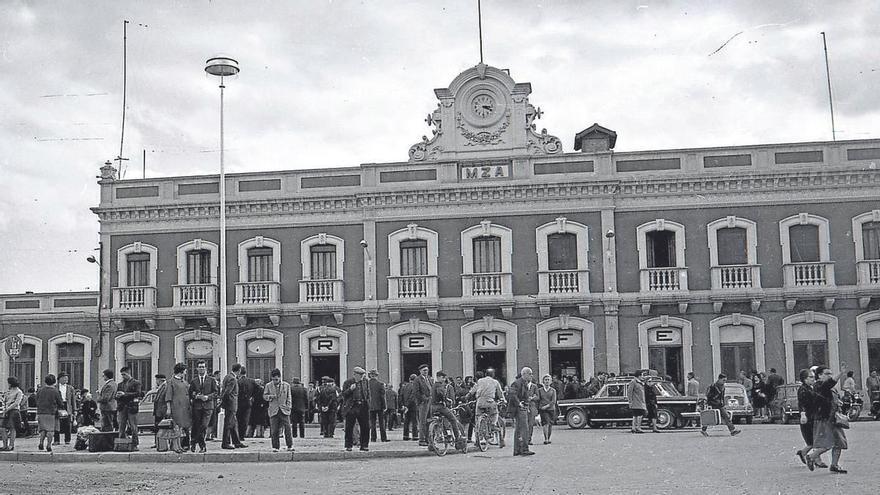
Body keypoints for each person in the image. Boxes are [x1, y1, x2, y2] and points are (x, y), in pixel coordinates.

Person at [806, 364, 850, 473]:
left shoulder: (829, 388)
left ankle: (834, 465)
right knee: (827, 443)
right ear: (819, 375)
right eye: (827, 374)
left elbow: (833, 397)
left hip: (833, 418)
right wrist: (840, 373)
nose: (829, 376)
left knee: (839, 442)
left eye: (830, 373)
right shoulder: (819, 385)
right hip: (825, 419)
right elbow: (829, 384)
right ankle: (811, 457)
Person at [469, 369, 505, 448]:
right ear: (493, 375)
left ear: (485, 374)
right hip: (489, 402)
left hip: (480, 402)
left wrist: (468, 395)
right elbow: (500, 393)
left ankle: (477, 440)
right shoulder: (495, 382)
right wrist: (503, 400)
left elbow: (473, 391)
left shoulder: (480, 381)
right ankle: (493, 425)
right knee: (495, 414)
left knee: (477, 418)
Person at [340, 366, 371, 452]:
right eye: (359, 375)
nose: (361, 377)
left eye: (362, 375)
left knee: (365, 426)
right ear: (354, 374)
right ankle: (348, 445)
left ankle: (364, 445)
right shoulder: (348, 382)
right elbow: (343, 395)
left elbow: (368, 393)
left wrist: (368, 403)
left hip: (363, 405)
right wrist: (350, 389)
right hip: (352, 406)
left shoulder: (365, 382)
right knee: (349, 427)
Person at [161, 364, 190, 453]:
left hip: (185, 407)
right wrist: (168, 408)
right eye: (185, 370)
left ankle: (179, 445)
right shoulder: (171, 382)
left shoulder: (184, 382)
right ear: (181, 371)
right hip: (176, 406)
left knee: (181, 428)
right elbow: (168, 396)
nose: (185, 372)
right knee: (176, 427)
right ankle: (175, 446)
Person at [263, 368, 294, 452]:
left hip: (284, 410)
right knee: (274, 430)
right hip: (273, 410)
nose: (275, 381)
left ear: (280, 377)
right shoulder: (268, 385)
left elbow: (289, 397)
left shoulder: (286, 385)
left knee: (287, 429)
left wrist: (288, 407)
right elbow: (265, 396)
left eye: (276, 379)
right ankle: (275, 446)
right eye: (273, 380)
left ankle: (290, 445)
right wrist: (270, 397)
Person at [508, 367, 535, 456]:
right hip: (519, 409)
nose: (531, 375)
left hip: (522, 407)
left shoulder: (523, 383)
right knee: (524, 429)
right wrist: (519, 403)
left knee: (519, 429)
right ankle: (524, 449)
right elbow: (512, 394)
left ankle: (517, 450)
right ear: (524, 374)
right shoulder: (517, 383)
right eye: (530, 374)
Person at [35, 374, 64, 452]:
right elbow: (60, 402)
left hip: (41, 412)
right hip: (51, 412)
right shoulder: (55, 391)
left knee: (43, 429)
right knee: (50, 430)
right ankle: (48, 445)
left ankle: (41, 443)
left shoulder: (40, 390)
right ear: (54, 381)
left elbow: (36, 400)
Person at [116, 366, 142, 450]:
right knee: (121, 426)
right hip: (122, 407)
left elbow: (138, 393)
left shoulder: (136, 383)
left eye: (124, 374)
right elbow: (116, 395)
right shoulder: (120, 384)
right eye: (122, 375)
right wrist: (117, 396)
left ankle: (135, 444)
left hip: (132, 407)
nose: (123, 376)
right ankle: (121, 443)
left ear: (128, 373)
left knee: (133, 426)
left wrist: (125, 394)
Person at [221, 363, 246, 449]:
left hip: (229, 404)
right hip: (231, 404)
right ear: (239, 370)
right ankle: (225, 443)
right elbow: (227, 392)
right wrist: (225, 402)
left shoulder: (227, 377)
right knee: (228, 424)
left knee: (233, 424)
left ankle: (237, 442)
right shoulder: (233, 379)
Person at [795, 368, 817, 466]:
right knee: (812, 441)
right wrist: (803, 415)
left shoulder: (809, 388)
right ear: (804, 379)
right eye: (811, 377)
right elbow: (802, 403)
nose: (813, 379)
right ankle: (805, 453)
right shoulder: (803, 389)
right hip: (808, 417)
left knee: (814, 440)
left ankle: (807, 454)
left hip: (812, 416)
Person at [53, 371, 78, 445]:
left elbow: (73, 400)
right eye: (64, 378)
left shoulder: (70, 388)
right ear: (59, 379)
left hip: (67, 406)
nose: (66, 379)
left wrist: (74, 410)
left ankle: (67, 439)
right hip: (58, 406)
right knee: (57, 423)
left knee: (68, 424)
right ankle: (56, 440)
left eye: (67, 378)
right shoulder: (55, 387)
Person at [2, 377, 23, 451]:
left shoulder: (19, 392)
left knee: (12, 428)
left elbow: (17, 402)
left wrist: (8, 408)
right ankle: (4, 445)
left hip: (14, 410)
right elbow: (4, 400)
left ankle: (11, 445)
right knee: (3, 428)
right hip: (7, 410)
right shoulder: (8, 391)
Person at [414, 364, 433, 446]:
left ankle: (428, 438)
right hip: (423, 403)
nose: (426, 372)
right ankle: (421, 439)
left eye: (427, 370)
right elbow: (416, 392)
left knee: (429, 420)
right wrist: (424, 399)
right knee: (422, 421)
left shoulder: (429, 379)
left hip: (430, 402)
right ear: (420, 371)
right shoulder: (417, 380)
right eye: (424, 370)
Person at [367, 370, 388, 442]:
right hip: (379, 406)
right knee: (382, 422)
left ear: (370, 375)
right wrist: (384, 406)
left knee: (372, 423)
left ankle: (373, 438)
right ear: (376, 375)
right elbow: (382, 396)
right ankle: (383, 438)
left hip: (370, 406)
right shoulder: (380, 384)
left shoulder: (367, 384)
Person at [537, 374, 557, 444]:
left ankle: (549, 437)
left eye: (548, 380)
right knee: (546, 423)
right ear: (543, 381)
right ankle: (546, 439)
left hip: (551, 409)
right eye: (545, 380)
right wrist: (541, 407)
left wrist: (547, 406)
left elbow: (554, 401)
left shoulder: (553, 390)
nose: (547, 381)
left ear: (551, 381)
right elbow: (538, 399)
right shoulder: (540, 390)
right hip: (543, 409)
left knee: (550, 424)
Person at [236, 366, 255, 439]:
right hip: (248, 403)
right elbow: (259, 390)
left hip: (238, 403)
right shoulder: (251, 381)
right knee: (245, 420)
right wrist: (252, 396)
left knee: (238, 420)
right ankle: (242, 435)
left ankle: (238, 435)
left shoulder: (237, 381)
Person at [151, 374, 168, 449]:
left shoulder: (165, 387)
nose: (156, 381)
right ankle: (157, 442)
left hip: (162, 411)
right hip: (158, 411)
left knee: (161, 428)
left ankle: (161, 442)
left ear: (160, 380)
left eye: (156, 380)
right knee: (157, 427)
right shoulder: (160, 388)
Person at [399, 374, 418, 441]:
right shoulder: (414, 387)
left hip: (405, 406)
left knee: (406, 421)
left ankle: (405, 436)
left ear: (410, 379)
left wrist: (403, 405)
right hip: (413, 406)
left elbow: (400, 396)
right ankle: (415, 436)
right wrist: (407, 405)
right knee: (414, 421)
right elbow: (412, 397)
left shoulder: (404, 387)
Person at [207, 370, 222, 440]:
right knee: (211, 419)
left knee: (214, 419)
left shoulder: (217, 383)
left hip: (216, 404)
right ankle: (208, 435)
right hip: (212, 403)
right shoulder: (213, 383)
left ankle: (212, 434)